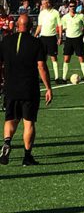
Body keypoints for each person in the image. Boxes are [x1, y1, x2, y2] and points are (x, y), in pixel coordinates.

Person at [0, 15, 53, 166]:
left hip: (10, 87)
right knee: (28, 123)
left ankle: (7, 143)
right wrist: (48, 87)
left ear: (17, 25)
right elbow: (41, 66)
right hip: (29, 88)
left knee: (10, 119)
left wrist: (3, 79)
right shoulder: (37, 43)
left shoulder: (6, 41)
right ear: (31, 26)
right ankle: (27, 157)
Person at [33, 0, 62, 84]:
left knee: (53, 57)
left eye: (43, 4)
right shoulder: (41, 13)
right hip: (43, 38)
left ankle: (57, 77)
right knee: (42, 58)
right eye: (42, 4)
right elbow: (39, 26)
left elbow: (59, 26)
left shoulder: (55, 13)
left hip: (52, 37)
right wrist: (35, 36)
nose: (42, 5)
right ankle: (42, 76)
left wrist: (60, 37)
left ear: (48, 3)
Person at [60, 0, 84, 84]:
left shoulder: (80, 16)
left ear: (76, 6)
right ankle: (64, 78)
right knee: (66, 58)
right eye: (71, 6)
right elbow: (63, 28)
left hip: (78, 39)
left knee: (81, 58)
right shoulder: (65, 17)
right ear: (68, 7)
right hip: (69, 39)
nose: (72, 7)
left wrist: (81, 35)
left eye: (73, 6)